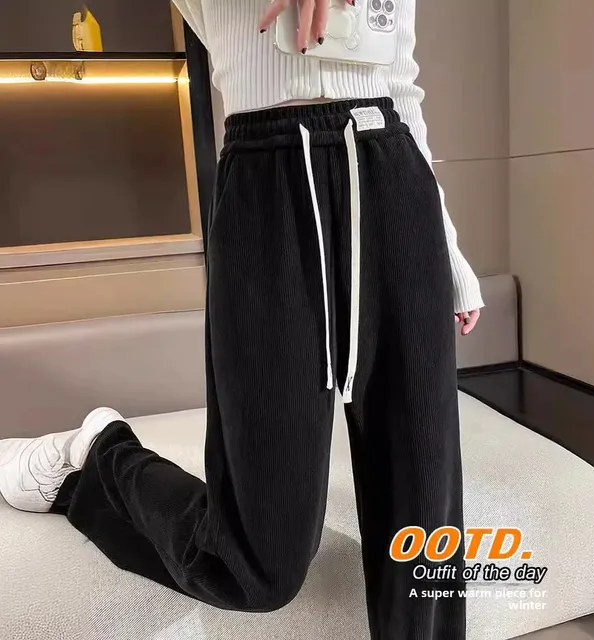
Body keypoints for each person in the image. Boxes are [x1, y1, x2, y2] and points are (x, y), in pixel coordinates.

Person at [0, 1, 483, 638]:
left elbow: (403, 86)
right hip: (268, 179)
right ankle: (100, 455)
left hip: (394, 179)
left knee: (425, 529)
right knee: (254, 566)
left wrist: (449, 251)